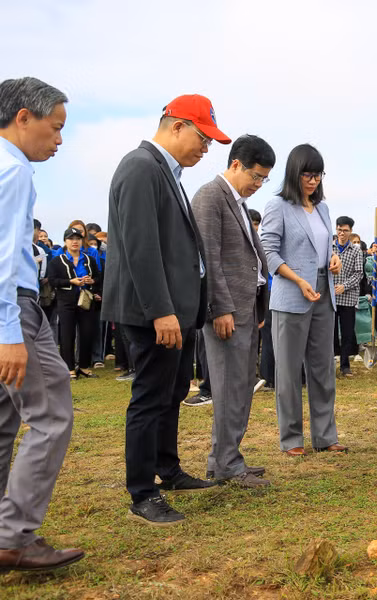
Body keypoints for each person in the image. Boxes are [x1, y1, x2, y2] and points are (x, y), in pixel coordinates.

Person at [103, 94, 230, 525]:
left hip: (175, 312)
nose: (205, 148)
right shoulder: (141, 168)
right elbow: (141, 247)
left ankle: (167, 468)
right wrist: (160, 310)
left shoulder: (166, 172)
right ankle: (142, 492)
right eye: (203, 137)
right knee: (150, 398)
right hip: (152, 313)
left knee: (172, 393)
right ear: (176, 125)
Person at [0, 76, 84, 572]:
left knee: (5, 422)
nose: (58, 140)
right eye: (54, 129)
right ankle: (13, 535)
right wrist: (10, 332)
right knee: (51, 415)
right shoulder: (14, 172)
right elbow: (8, 260)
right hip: (15, 309)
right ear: (23, 118)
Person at [191, 134, 274, 488]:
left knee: (240, 387)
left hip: (245, 308)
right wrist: (219, 308)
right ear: (236, 164)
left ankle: (224, 458)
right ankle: (226, 464)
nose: (258, 184)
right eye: (256, 176)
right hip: (226, 312)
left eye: (264, 179)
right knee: (227, 389)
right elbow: (207, 259)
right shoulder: (211, 197)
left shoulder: (236, 200)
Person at [259, 143, 345, 458]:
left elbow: (326, 246)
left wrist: (333, 257)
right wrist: (297, 280)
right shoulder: (277, 206)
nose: (313, 181)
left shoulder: (322, 208)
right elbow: (268, 251)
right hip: (291, 293)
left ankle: (325, 435)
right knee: (289, 370)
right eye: (307, 175)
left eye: (318, 175)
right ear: (294, 174)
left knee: (323, 368)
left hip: (324, 293)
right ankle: (291, 437)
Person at [47, 227, 103, 379]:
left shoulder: (89, 259)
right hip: (66, 301)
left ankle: (84, 366)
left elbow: (99, 278)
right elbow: (52, 280)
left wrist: (92, 281)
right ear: (65, 241)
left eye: (78, 239)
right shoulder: (57, 261)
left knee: (87, 333)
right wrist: (70, 281)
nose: (75, 242)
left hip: (85, 301)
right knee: (67, 335)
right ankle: (69, 368)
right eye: (71, 239)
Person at [332, 216, 363, 377]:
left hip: (348, 297)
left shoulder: (356, 250)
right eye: (339, 230)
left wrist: (344, 286)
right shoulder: (329, 248)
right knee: (330, 331)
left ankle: (345, 365)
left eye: (345, 230)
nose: (342, 233)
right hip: (330, 297)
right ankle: (331, 361)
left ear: (350, 232)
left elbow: (359, 274)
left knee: (347, 332)